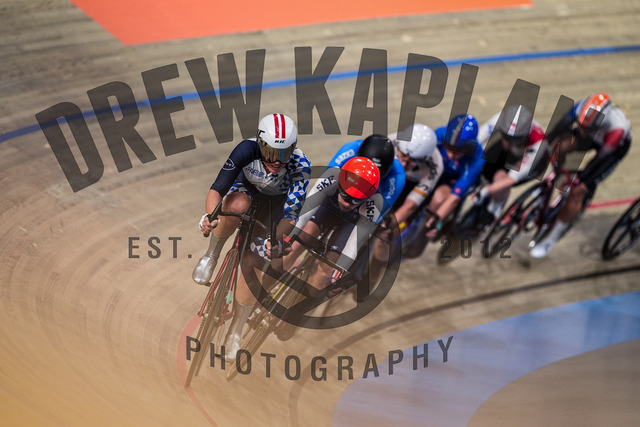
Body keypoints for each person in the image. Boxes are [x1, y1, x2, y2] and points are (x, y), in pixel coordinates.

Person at [193, 113, 311, 358]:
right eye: (270, 152)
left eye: (284, 154)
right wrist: (211, 216)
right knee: (234, 207)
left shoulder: (301, 165)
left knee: (253, 264)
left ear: (294, 149)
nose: (276, 161)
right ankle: (211, 255)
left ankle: (235, 331)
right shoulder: (246, 150)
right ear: (260, 144)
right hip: (245, 190)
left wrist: (274, 241)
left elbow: (291, 215)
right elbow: (218, 188)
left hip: (273, 207)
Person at [275, 157, 382, 339]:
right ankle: (270, 278)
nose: (347, 203)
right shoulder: (331, 176)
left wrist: (336, 274)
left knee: (326, 272)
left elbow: (354, 243)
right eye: (345, 196)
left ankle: (295, 315)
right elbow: (304, 213)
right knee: (301, 239)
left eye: (355, 201)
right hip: (325, 211)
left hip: (348, 225)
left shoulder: (374, 204)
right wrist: (288, 239)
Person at [530, 93, 631, 258]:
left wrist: (581, 179)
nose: (581, 131)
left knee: (579, 189)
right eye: (580, 125)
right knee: (561, 146)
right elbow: (557, 130)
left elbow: (600, 159)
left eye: (586, 128)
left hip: (611, 150)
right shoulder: (579, 108)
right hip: (594, 135)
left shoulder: (616, 128)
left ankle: (551, 238)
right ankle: (551, 181)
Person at [472, 105, 550, 232]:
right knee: (484, 165)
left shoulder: (538, 143)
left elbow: (511, 179)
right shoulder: (501, 119)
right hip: (511, 153)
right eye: (506, 136)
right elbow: (476, 140)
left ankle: (494, 210)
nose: (508, 142)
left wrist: (487, 190)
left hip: (533, 164)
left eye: (515, 139)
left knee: (500, 179)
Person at [424, 114, 485, 236]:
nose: (451, 155)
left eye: (458, 151)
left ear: (468, 147)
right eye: (449, 147)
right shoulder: (440, 134)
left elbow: (455, 196)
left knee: (438, 199)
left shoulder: (477, 157)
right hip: (436, 171)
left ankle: (426, 227)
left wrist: (437, 217)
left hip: (454, 180)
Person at [327, 134, 405, 216]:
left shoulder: (397, 174)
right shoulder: (351, 149)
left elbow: (380, 211)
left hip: (375, 192)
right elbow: (326, 181)